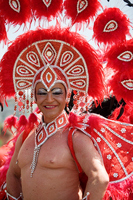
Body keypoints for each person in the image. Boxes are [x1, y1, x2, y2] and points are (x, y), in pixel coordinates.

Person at [6, 70, 109, 200]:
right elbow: (13, 174)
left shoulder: (75, 138)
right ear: (35, 97)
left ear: (67, 96)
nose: (49, 99)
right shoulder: (26, 135)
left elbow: (100, 178)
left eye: (57, 92)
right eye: (42, 93)